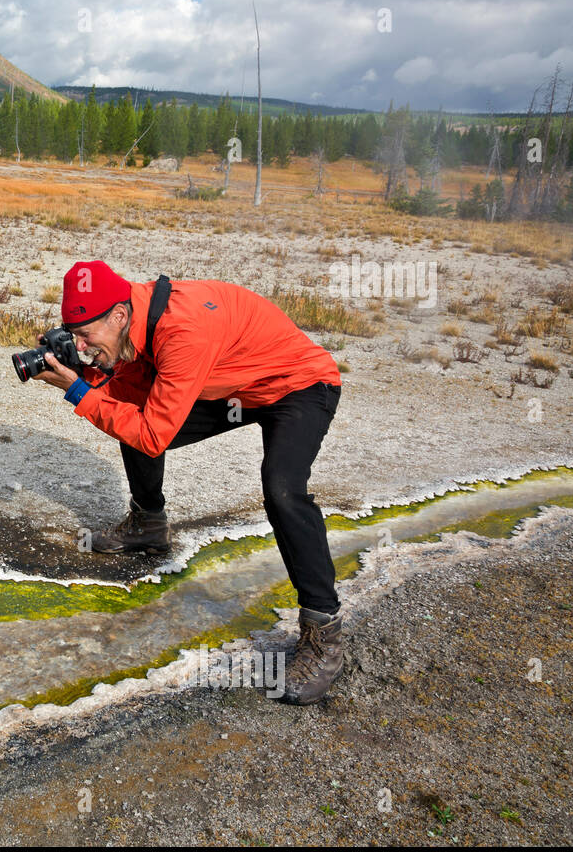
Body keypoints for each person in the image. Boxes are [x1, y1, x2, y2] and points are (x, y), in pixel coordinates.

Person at [29, 260, 345, 705]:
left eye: (86, 337)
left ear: (118, 316)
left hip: (298, 387)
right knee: (132, 412)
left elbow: (153, 436)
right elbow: (122, 394)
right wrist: (79, 374)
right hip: (231, 388)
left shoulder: (183, 330)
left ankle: (323, 633)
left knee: (283, 489)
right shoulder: (137, 315)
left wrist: (77, 390)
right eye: (73, 336)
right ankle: (148, 525)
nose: (82, 346)